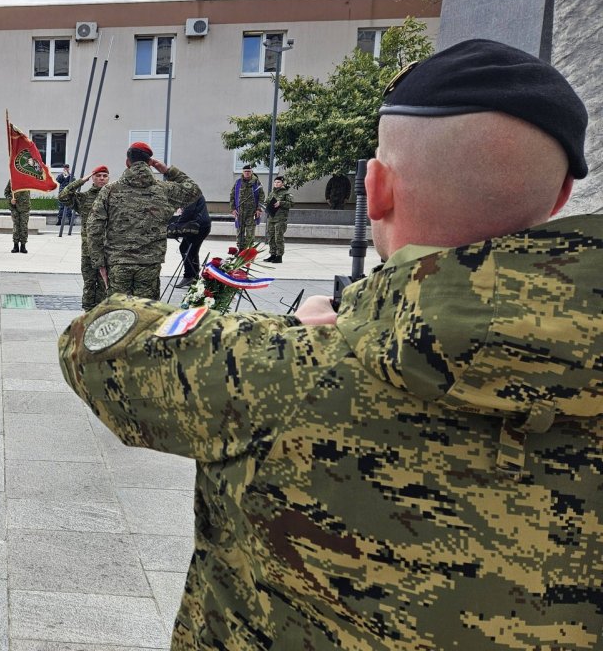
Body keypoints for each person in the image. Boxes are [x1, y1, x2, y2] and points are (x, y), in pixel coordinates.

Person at [58, 39, 598, 650]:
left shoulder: (277, 374)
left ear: (375, 189)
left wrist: (297, 336)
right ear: (559, 200)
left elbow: (96, 339)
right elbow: (174, 197)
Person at [85, 142, 201, 299]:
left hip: (118, 261)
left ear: (127, 163)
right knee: (146, 314)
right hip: (150, 263)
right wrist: (168, 171)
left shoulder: (110, 190)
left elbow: (94, 226)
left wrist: (99, 262)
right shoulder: (164, 189)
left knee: (118, 313)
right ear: (150, 163)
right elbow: (193, 192)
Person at [58, 165, 111, 310]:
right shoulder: (85, 197)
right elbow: (63, 196)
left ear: (109, 178)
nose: (101, 178)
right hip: (89, 249)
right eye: (98, 175)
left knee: (105, 285)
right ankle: (88, 312)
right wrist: (81, 181)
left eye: (104, 176)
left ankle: (101, 313)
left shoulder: (114, 197)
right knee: (89, 283)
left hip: (108, 249)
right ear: (92, 178)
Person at [173, 191, 211, 287]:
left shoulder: (191, 193)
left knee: (185, 248)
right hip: (201, 225)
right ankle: (193, 277)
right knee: (192, 250)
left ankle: (189, 276)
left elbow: (189, 211)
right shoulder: (193, 192)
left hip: (199, 226)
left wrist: (177, 224)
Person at [231, 164, 263, 249]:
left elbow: (261, 197)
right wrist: (233, 208)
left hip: (251, 213)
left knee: (250, 233)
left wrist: (259, 209)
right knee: (240, 232)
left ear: (252, 172)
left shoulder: (256, 183)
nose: (247, 173)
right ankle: (241, 250)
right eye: (245, 171)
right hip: (240, 212)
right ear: (243, 172)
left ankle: (249, 252)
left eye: (249, 171)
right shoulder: (238, 182)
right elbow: (232, 195)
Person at [264, 176, 293, 262]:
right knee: (271, 237)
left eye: (278, 182)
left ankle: (279, 256)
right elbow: (267, 202)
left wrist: (281, 203)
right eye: (275, 182)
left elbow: (291, 203)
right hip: (271, 218)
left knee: (278, 237)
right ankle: (273, 254)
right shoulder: (272, 193)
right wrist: (263, 207)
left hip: (280, 219)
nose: (276, 184)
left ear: (282, 183)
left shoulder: (286, 193)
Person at [4, 179, 30, 253]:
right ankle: (15, 245)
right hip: (15, 208)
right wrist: (10, 199)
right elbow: (6, 192)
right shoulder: (12, 180)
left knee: (24, 226)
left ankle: (23, 245)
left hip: (25, 207)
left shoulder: (28, 179)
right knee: (16, 226)